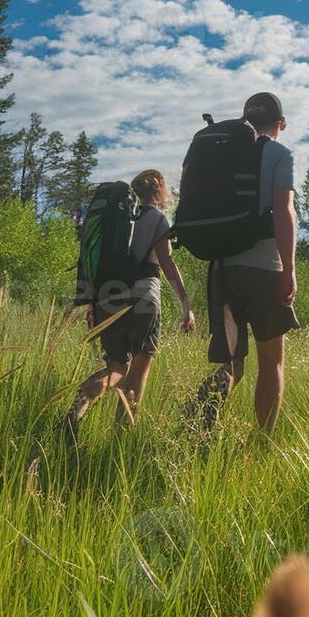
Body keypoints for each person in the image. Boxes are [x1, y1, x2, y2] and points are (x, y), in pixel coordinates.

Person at [186, 92, 299, 431]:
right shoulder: (279, 154)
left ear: (247, 120)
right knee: (271, 363)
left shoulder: (224, 154)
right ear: (281, 124)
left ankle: (196, 418)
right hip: (264, 268)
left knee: (233, 362)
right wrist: (289, 271)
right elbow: (284, 211)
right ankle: (263, 442)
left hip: (222, 269)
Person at [60, 170, 195, 430]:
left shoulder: (116, 222)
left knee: (117, 368)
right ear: (159, 193)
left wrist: (93, 304)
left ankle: (82, 401)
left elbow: (100, 263)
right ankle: (121, 437)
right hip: (143, 297)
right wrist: (186, 305)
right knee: (138, 369)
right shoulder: (157, 219)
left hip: (106, 297)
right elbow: (166, 263)